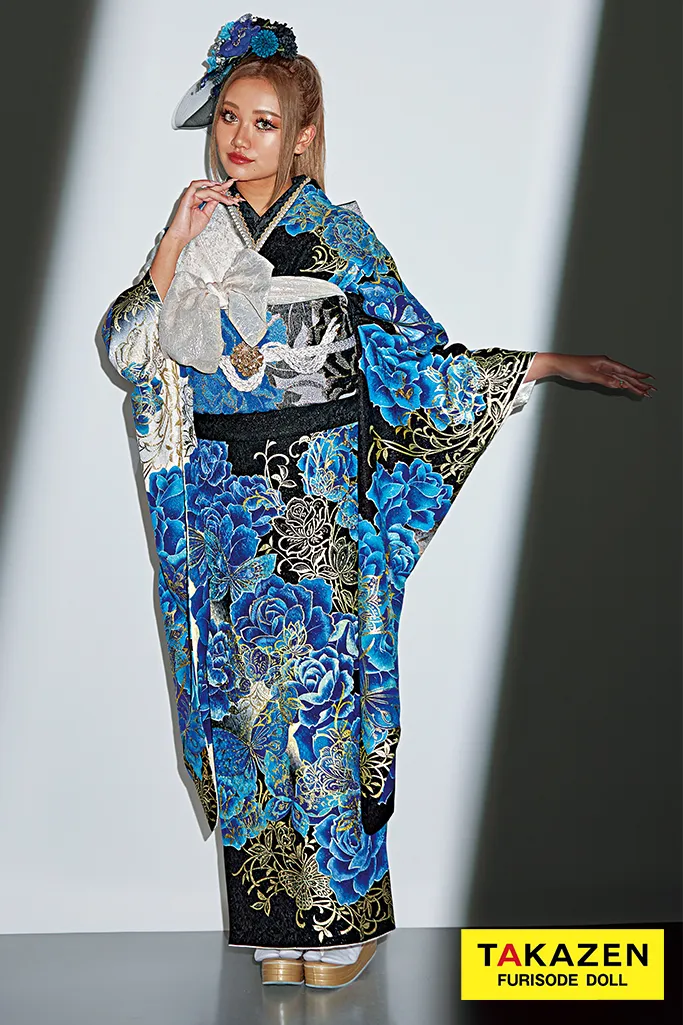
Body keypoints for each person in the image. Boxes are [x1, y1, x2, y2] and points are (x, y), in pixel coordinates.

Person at [101, 13, 655, 990]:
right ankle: (277, 928)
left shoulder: (336, 234)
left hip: (314, 512)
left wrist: (538, 363)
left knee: (321, 712)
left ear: (303, 135)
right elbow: (125, 351)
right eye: (228, 116)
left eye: (264, 122)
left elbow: (418, 357)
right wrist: (171, 245)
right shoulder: (196, 233)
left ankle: (339, 927)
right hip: (223, 512)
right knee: (250, 715)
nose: (240, 137)